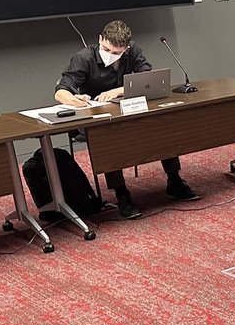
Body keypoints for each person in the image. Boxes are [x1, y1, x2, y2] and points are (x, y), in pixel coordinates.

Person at [54, 20, 199, 219]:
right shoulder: (84, 57)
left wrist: (119, 90)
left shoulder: (132, 52)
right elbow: (61, 90)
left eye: (117, 52)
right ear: (100, 39)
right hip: (95, 120)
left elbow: (148, 78)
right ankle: (122, 194)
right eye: (106, 49)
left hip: (124, 111)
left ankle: (174, 180)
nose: (111, 55)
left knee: (159, 124)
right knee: (109, 136)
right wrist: (72, 99)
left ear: (126, 48)